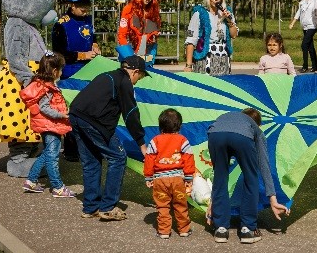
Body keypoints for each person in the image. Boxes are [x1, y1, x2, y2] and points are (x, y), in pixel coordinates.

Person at [0, 0, 58, 178]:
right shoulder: (16, 24)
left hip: (31, 79)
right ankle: (18, 161)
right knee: (21, 121)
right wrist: (29, 79)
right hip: (19, 82)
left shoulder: (28, 25)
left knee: (32, 123)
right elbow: (16, 57)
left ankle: (30, 154)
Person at [68, 55, 150, 220]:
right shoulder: (124, 82)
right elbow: (131, 114)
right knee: (118, 157)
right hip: (94, 121)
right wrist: (141, 142)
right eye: (139, 77)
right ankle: (108, 207)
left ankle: (90, 207)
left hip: (76, 116)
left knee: (91, 162)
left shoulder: (107, 75)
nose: (138, 81)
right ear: (135, 71)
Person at [207, 108, 290, 244]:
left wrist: (213, 204)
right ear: (258, 125)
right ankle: (248, 229)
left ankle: (220, 229)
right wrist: (273, 200)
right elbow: (264, 165)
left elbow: (217, 179)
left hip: (215, 134)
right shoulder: (255, 129)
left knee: (220, 177)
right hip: (240, 138)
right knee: (251, 178)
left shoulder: (230, 118)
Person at [52, 0, 100, 162]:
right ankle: (71, 150)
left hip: (88, 74)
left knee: (90, 112)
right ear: (72, 5)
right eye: (81, 5)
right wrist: (82, 55)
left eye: (87, 4)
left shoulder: (87, 20)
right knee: (72, 113)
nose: (85, 8)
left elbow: (91, 38)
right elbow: (58, 53)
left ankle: (88, 146)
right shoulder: (61, 25)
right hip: (70, 75)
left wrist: (95, 45)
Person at [20, 51, 75, 198]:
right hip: (50, 125)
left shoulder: (42, 84)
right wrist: (62, 115)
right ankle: (58, 187)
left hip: (48, 125)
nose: (62, 72)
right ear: (55, 71)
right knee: (53, 156)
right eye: (61, 69)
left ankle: (31, 181)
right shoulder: (47, 88)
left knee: (47, 154)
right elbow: (45, 108)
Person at [144, 108, 196, 239]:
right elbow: (188, 158)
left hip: (160, 180)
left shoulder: (154, 141)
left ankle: (164, 231)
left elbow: (149, 159)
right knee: (180, 203)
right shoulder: (183, 140)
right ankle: (184, 229)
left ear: (160, 126)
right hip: (178, 179)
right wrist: (189, 177)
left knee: (162, 205)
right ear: (180, 125)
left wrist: (148, 176)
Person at [184, 0, 238, 76]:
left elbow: (234, 35)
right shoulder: (199, 13)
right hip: (205, 58)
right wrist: (188, 65)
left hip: (223, 58)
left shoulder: (227, 13)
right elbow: (191, 40)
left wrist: (229, 21)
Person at [118, 0, 162, 65]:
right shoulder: (128, 9)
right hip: (130, 51)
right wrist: (129, 56)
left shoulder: (154, 11)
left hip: (148, 51)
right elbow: (122, 35)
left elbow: (154, 34)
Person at [288, 0, 317, 73]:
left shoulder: (316, 0)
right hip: (305, 26)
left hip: (312, 26)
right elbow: (298, 13)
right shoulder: (302, 2)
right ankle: (315, 66)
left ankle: (305, 66)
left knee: (304, 45)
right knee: (310, 46)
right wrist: (292, 23)